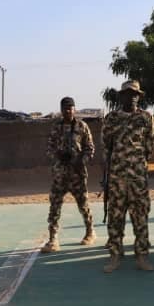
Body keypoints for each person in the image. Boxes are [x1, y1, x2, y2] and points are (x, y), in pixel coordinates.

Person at [101, 80, 154, 272]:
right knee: (115, 218)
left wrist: (137, 163)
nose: (132, 97)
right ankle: (115, 256)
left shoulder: (146, 118)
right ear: (121, 96)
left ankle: (142, 256)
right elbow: (106, 145)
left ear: (139, 97)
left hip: (138, 178)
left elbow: (150, 146)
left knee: (140, 217)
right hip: (117, 178)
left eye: (135, 94)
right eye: (128, 94)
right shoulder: (111, 118)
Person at [41, 96, 95, 253]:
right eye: (65, 108)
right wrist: (57, 155)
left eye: (70, 108)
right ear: (61, 110)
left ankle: (90, 231)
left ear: (74, 109)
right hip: (60, 175)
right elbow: (49, 148)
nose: (68, 111)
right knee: (54, 206)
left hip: (77, 174)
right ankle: (53, 239)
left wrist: (80, 160)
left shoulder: (82, 126)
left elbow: (90, 148)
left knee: (83, 205)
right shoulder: (56, 127)